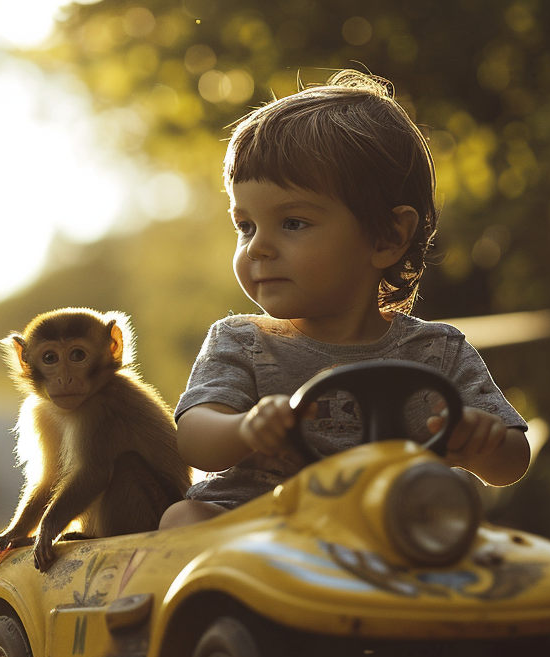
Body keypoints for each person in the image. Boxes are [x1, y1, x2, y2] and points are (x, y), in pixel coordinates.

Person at [160, 71, 530, 530]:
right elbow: (195, 439)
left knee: (463, 528)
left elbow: (512, 462)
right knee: (184, 518)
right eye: (246, 226)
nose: (257, 248)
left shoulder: (436, 352)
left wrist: (482, 442)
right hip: (254, 537)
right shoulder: (243, 341)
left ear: (387, 236)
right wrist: (243, 428)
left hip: (386, 536)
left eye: (293, 222)